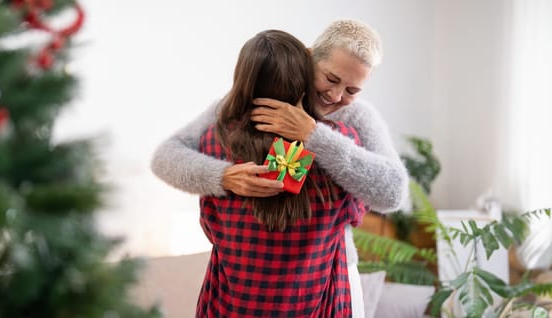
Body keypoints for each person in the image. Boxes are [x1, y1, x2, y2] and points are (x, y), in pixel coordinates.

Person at [150, 19, 409, 317]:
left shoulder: (357, 118)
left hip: (330, 276)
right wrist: (223, 176)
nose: (337, 97)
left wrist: (315, 136)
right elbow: (165, 157)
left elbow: (393, 193)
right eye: (331, 78)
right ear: (309, 57)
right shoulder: (236, 109)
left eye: (352, 89)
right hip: (249, 279)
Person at [195, 29, 360, 317]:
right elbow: (355, 213)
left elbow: (210, 225)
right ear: (304, 82)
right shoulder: (340, 142)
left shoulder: (212, 140)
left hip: (231, 307)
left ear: (242, 81)